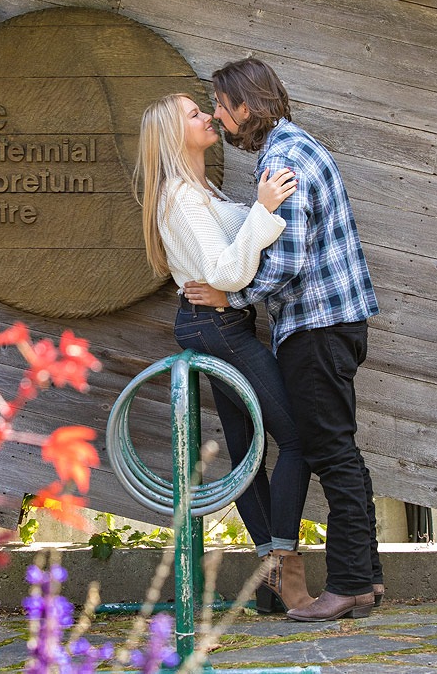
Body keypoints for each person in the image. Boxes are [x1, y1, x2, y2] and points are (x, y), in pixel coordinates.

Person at [183, 58, 383, 622]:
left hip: (317, 327)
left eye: (221, 106)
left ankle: (345, 587)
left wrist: (232, 300)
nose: (220, 118)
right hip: (333, 323)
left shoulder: (285, 157)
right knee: (340, 448)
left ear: (245, 106)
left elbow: (288, 262)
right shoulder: (294, 147)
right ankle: (365, 581)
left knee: (332, 452)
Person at [136, 93, 314, 613]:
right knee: (296, 438)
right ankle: (284, 565)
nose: (209, 116)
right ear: (175, 135)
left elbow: (232, 246)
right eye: (195, 114)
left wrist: (257, 212)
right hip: (218, 328)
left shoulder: (198, 189)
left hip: (217, 323)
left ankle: (269, 578)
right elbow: (229, 273)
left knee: (247, 452)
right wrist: (262, 209)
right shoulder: (181, 198)